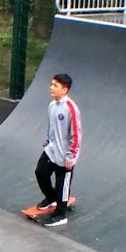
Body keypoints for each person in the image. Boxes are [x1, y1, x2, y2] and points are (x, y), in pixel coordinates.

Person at [28, 73, 81, 229]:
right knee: (40, 172)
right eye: (51, 84)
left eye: (55, 86)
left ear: (64, 90)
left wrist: (71, 156)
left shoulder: (70, 108)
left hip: (65, 156)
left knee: (62, 186)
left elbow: (76, 135)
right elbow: (52, 127)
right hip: (51, 150)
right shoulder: (52, 105)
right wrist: (47, 140)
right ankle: (51, 198)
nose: (51, 88)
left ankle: (60, 214)